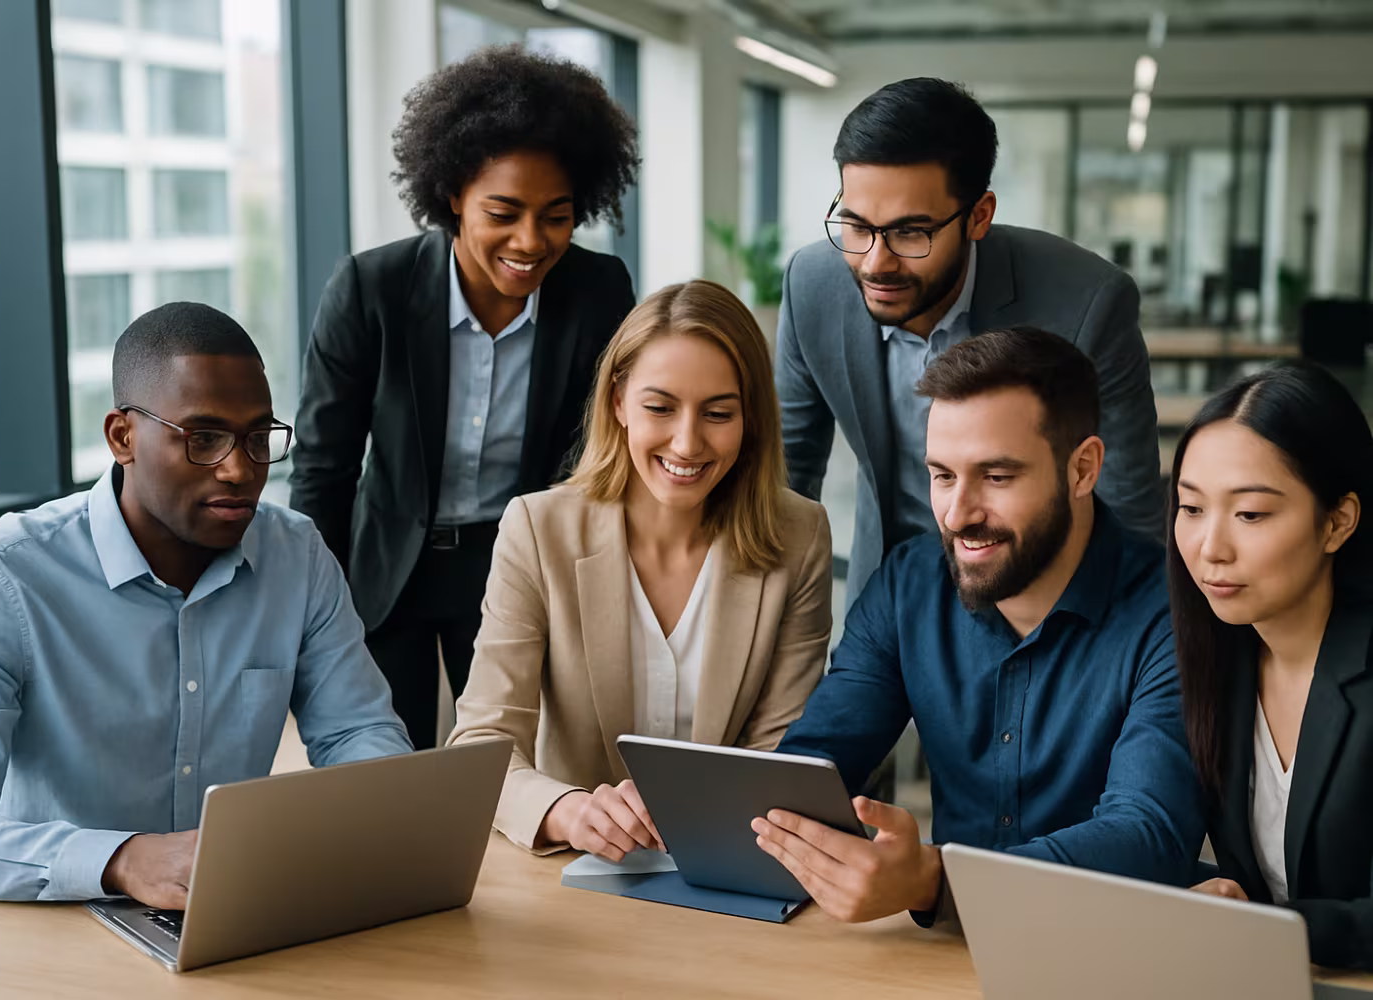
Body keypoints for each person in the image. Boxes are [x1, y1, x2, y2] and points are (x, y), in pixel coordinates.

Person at [0, 303, 411, 917]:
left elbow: (360, 733)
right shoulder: (1, 578)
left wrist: (380, 821)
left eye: (258, 438)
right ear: (122, 438)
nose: (240, 470)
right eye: (204, 438)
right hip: (52, 928)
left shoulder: (296, 555)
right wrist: (122, 859)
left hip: (224, 916)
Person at [754, 327, 1202, 924]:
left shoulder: (1173, 612)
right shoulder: (908, 585)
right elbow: (812, 767)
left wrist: (939, 879)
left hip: (1108, 949)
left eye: (997, 477)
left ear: (1083, 469)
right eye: (942, 475)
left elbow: (1149, 836)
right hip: (942, 957)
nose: (958, 514)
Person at [290, 46, 640, 750]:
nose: (530, 241)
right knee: (387, 770)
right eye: (503, 212)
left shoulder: (599, 292)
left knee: (517, 765)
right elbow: (323, 470)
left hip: (520, 560)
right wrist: (310, 610)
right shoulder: (370, 290)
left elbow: (598, 458)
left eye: (556, 216)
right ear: (452, 195)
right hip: (391, 569)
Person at [448, 281, 832, 859]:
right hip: (570, 875)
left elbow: (782, 755)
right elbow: (482, 744)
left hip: (731, 864)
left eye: (718, 413)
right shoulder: (537, 528)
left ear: (750, 417)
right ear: (618, 402)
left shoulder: (800, 537)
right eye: (660, 407)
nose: (687, 442)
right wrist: (566, 810)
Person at [776, 77, 1163, 613]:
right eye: (856, 226)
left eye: (911, 233)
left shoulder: (1088, 304)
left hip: (1040, 594)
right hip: (888, 589)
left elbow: (1131, 512)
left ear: (979, 216)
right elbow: (787, 480)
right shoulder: (811, 285)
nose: (874, 262)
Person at [1171, 363, 1373, 970]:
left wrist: (1260, 924)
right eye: (1191, 508)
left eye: (1250, 515)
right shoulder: (1217, 659)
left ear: (1337, 521)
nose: (1210, 548)